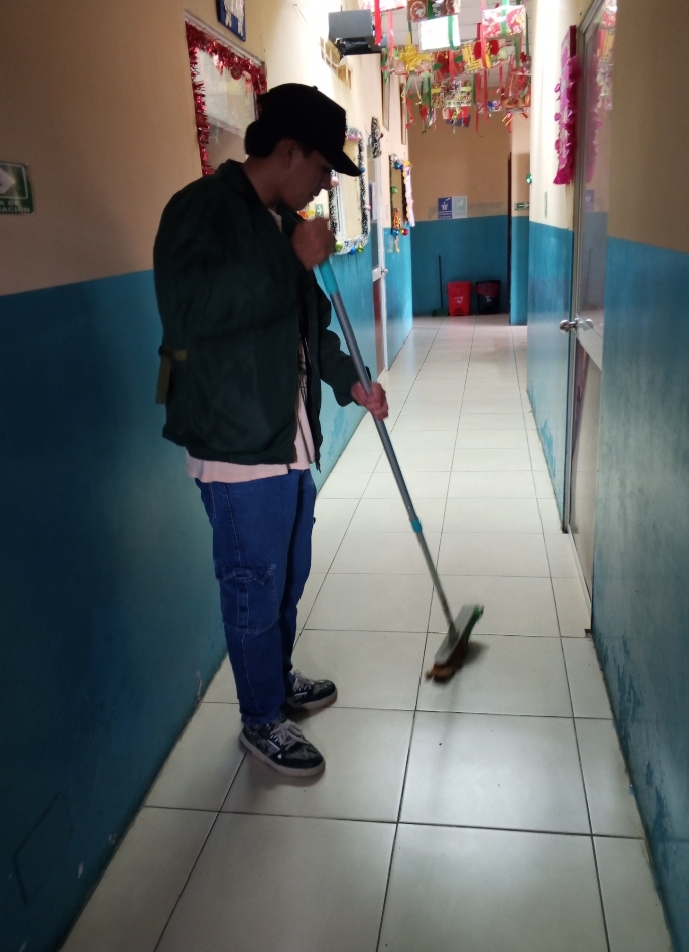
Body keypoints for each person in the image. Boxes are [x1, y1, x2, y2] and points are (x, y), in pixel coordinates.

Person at [153, 84, 388, 778]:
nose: (324, 184)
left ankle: (274, 680)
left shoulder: (279, 222)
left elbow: (311, 324)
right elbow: (196, 312)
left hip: (287, 440)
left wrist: (349, 381)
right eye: (321, 168)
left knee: (287, 575)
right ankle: (260, 720)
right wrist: (291, 258)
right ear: (288, 151)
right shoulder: (200, 210)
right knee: (253, 583)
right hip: (235, 446)